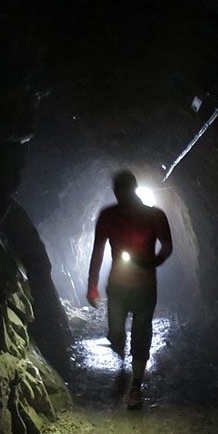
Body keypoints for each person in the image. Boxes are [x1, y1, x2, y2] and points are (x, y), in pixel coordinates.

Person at [87, 169, 173, 409]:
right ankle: (119, 349)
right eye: (118, 191)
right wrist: (92, 286)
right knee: (116, 332)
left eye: (123, 190)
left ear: (132, 189)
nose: (120, 195)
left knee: (142, 334)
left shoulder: (154, 215)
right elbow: (98, 250)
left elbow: (167, 245)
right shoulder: (108, 216)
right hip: (118, 286)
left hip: (145, 287)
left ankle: (135, 386)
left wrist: (152, 262)